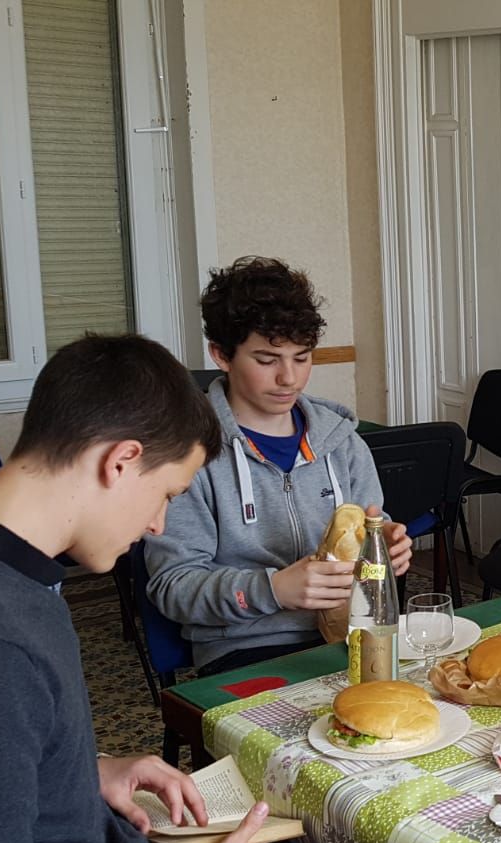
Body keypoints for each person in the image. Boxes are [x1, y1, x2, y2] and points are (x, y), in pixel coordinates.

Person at [0, 334, 271, 843]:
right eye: (168, 494)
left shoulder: (6, 569)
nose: (157, 524)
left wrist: (83, 773)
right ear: (121, 461)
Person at [146, 257, 411, 676]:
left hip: (350, 631)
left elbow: (370, 540)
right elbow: (172, 587)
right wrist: (272, 589)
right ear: (221, 355)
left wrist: (385, 546)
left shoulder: (342, 441)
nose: (289, 378)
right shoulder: (188, 453)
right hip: (245, 647)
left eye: (302, 358)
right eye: (267, 360)